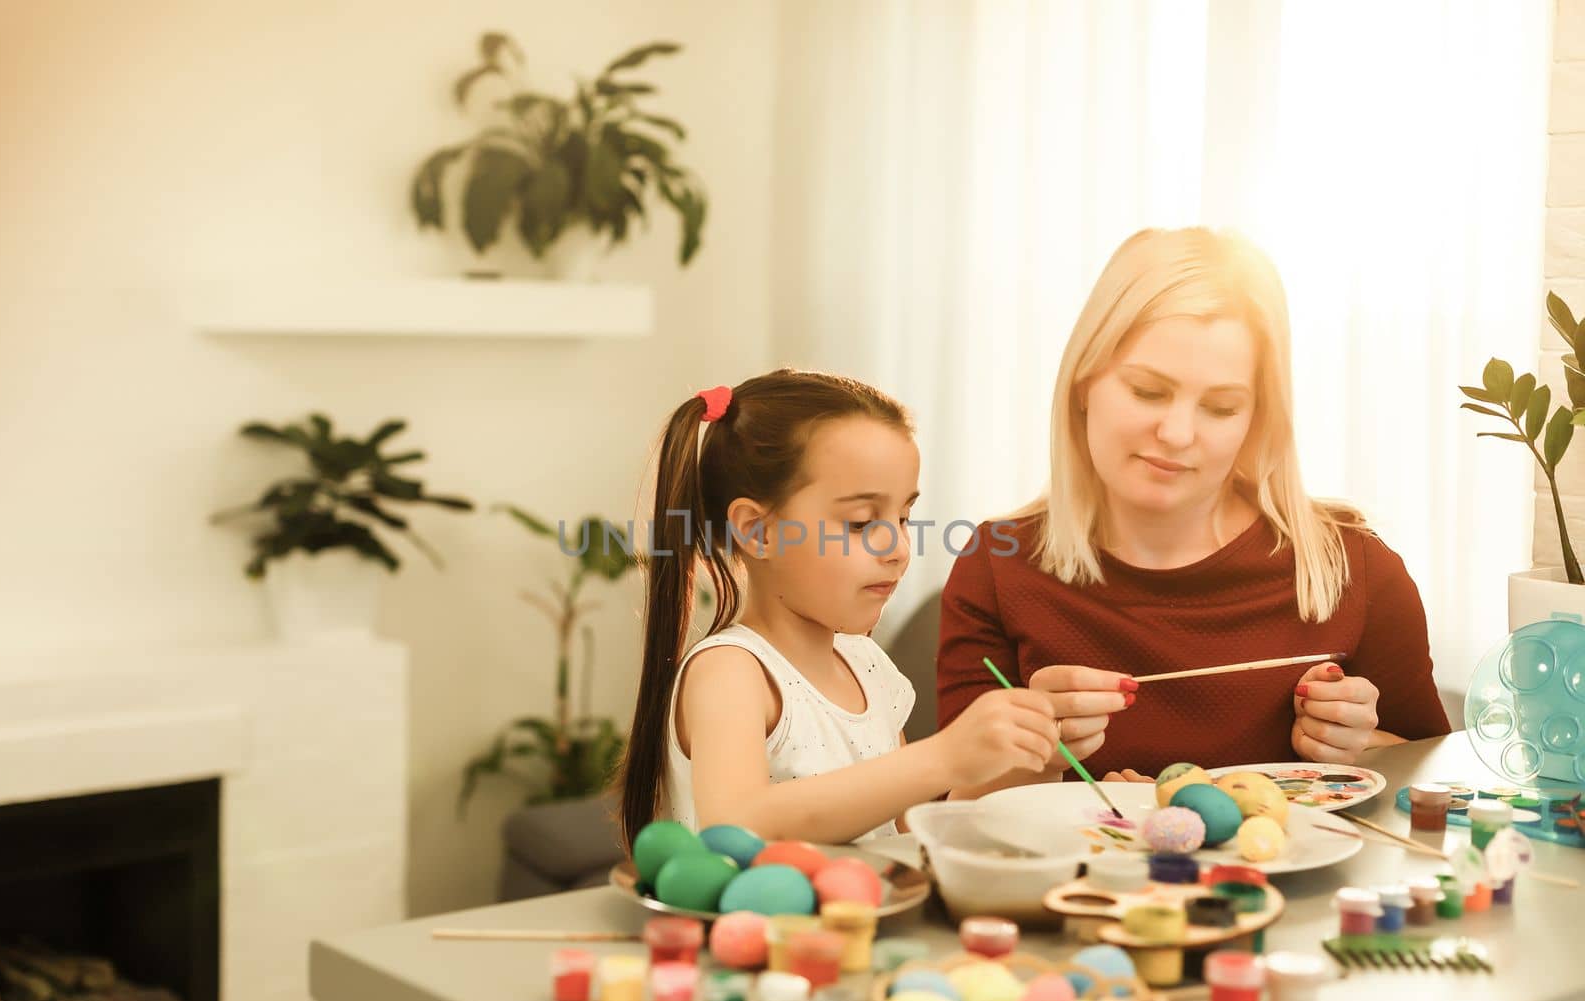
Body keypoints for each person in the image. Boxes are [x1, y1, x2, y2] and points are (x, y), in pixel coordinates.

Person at [936, 227, 1450, 796]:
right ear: (1084, 382)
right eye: (1148, 392)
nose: (1177, 433)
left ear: (1257, 417)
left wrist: (1362, 748)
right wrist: (1031, 759)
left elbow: (1435, 790)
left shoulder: (1353, 567)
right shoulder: (998, 563)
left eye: (1221, 406)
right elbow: (945, 814)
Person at [614, 369, 1064, 849]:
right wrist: (943, 757)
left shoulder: (867, 665)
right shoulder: (731, 672)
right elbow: (736, 827)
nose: (897, 546)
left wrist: (1031, 755)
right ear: (758, 531)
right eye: (860, 522)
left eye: (904, 516)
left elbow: (911, 839)